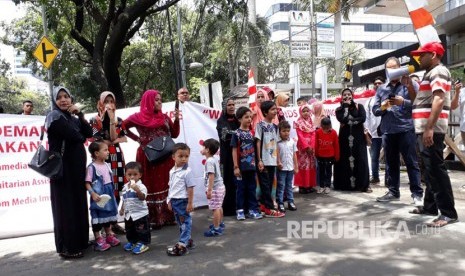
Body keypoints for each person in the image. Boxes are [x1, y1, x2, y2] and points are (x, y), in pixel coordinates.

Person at [410, 42, 458, 227]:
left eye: (422, 55)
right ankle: (431, 206)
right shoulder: (431, 73)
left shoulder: (438, 71)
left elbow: (438, 99)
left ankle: (448, 213)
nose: (419, 58)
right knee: (429, 169)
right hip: (424, 129)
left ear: (433, 54)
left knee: (436, 170)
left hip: (430, 129)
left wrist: (429, 128)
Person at [45, 86, 93, 259]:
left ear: (71, 99)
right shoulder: (54, 117)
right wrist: (79, 131)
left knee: (78, 203)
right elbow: (76, 137)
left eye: (66, 97)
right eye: (59, 97)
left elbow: (88, 133)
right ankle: (67, 247)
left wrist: (80, 115)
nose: (63, 100)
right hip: (62, 171)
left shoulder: (73, 117)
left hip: (77, 169)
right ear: (54, 101)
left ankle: (80, 241)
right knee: (65, 207)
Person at [122, 90, 180, 229]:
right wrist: (138, 139)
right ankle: (154, 218)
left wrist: (177, 119)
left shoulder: (164, 117)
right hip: (148, 156)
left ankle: (168, 216)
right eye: (156, 99)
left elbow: (175, 134)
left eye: (160, 99)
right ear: (148, 101)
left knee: (166, 182)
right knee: (151, 184)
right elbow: (122, 127)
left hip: (165, 156)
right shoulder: (137, 117)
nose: (160, 102)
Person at [373, 57, 423, 204]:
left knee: (411, 162)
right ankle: (393, 192)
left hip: (406, 129)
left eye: (394, 68)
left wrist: (403, 102)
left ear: (400, 68)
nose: (392, 71)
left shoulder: (410, 84)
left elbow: (419, 104)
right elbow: (375, 110)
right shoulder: (382, 88)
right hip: (388, 131)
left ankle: (417, 194)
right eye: (389, 69)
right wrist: (384, 106)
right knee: (391, 164)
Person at [89, 91, 127, 234]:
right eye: (106, 101)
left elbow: (119, 138)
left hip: (117, 157)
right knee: (103, 189)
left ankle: (113, 221)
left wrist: (112, 120)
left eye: (111, 101)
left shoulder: (119, 119)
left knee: (117, 188)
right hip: (102, 159)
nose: (109, 104)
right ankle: (105, 225)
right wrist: (113, 140)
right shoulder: (94, 120)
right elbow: (98, 141)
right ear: (100, 103)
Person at [85, 141, 120, 252]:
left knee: (108, 215)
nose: (108, 152)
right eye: (105, 150)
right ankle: (98, 238)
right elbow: (87, 182)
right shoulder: (92, 167)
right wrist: (93, 193)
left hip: (108, 193)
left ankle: (108, 235)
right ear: (96, 153)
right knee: (98, 216)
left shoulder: (106, 165)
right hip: (99, 196)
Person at [334, 88, 371, 192]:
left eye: (349, 94)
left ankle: (363, 185)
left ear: (352, 95)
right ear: (342, 97)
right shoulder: (339, 109)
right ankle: (346, 185)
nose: (347, 96)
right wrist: (345, 107)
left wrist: (350, 121)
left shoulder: (359, 106)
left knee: (361, 159)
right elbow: (343, 119)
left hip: (358, 138)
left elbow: (362, 118)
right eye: (344, 95)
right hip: (344, 139)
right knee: (345, 160)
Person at [231, 106, 263, 220]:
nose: (249, 119)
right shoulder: (236, 134)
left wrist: (259, 161)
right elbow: (234, 150)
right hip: (241, 168)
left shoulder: (252, 133)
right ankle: (240, 210)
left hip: (252, 167)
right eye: (246, 117)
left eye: (250, 117)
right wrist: (235, 167)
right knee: (240, 190)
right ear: (239, 119)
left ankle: (252, 209)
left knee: (251, 189)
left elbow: (256, 148)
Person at [255, 100, 285, 218]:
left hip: (272, 161)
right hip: (264, 161)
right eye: (272, 109)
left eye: (275, 109)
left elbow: (277, 143)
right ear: (265, 112)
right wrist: (260, 160)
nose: (275, 111)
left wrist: (278, 160)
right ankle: (269, 209)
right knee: (265, 185)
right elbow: (257, 143)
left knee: (269, 184)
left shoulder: (275, 127)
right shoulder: (260, 125)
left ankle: (263, 205)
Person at [166, 143, 196, 256]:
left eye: (186, 156)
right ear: (174, 157)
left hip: (183, 201)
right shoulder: (172, 171)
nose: (184, 159)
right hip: (175, 201)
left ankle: (182, 245)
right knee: (180, 223)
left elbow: (190, 188)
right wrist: (169, 200)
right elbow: (171, 186)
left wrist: (190, 203)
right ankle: (188, 241)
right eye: (181, 156)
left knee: (185, 223)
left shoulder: (187, 172)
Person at [120, 161, 151, 255]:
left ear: (140, 175)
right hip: (129, 214)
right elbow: (124, 199)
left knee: (142, 230)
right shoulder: (125, 187)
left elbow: (142, 198)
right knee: (130, 229)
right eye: (129, 174)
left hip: (140, 214)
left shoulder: (141, 186)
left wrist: (137, 190)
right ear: (125, 175)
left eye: (135, 174)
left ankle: (143, 243)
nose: (132, 177)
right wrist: (122, 209)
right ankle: (133, 241)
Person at [216, 98, 239, 217]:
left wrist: (236, 132)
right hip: (226, 157)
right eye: (229, 105)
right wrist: (238, 132)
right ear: (224, 106)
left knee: (238, 182)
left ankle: (238, 206)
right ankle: (227, 208)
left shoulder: (237, 119)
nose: (231, 107)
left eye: (233, 104)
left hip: (238, 156)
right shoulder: (221, 121)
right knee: (227, 181)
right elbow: (224, 136)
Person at [201, 138, 226, 237]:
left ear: (207, 150)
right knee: (219, 206)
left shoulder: (209, 161)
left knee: (215, 208)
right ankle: (219, 224)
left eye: (203, 147)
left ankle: (216, 229)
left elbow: (211, 176)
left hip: (215, 188)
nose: (201, 149)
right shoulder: (214, 159)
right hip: (220, 187)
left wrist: (209, 190)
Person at [365, 76, 385, 184]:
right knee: (374, 157)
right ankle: (375, 176)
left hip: (387, 132)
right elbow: (367, 118)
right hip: (374, 134)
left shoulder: (388, 99)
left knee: (391, 157)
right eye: (375, 83)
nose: (377, 85)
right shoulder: (369, 102)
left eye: (380, 83)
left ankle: (389, 179)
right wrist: (367, 132)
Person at [293, 104, 317, 194]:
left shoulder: (311, 122)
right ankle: (302, 186)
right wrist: (306, 146)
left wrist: (312, 146)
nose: (306, 113)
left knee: (311, 165)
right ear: (300, 112)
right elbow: (300, 136)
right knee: (303, 165)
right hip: (303, 149)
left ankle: (310, 185)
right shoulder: (298, 122)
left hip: (311, 147)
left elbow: (314, 134)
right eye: (303, 111)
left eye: (307, 111)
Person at [276, 120, 298, 212]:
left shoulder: (292, 142)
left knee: (289, 185)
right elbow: (276, 153)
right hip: (282, 168)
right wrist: (278, 162)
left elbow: (294, 154)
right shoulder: (278, 143)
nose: (286, 133)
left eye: (288, 131)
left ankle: (290, 202)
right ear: (279, 132)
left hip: (290, 168)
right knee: (281, 186)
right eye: (284, 131)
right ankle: (280, 203)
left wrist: (296, 166)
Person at [315, 117, 340, 194]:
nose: (326, 130)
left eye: (327, 128)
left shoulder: (334, 132)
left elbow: (336, 145)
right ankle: (322, 186)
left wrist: (337, 156)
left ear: (330, 125)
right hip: (320, 155)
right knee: (321, 171)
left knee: (328, 171)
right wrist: (316, 154)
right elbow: (316, 144)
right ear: (321, 125)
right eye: (324, 128)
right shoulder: (318, 132)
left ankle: (328, 186)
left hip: (330, 156)